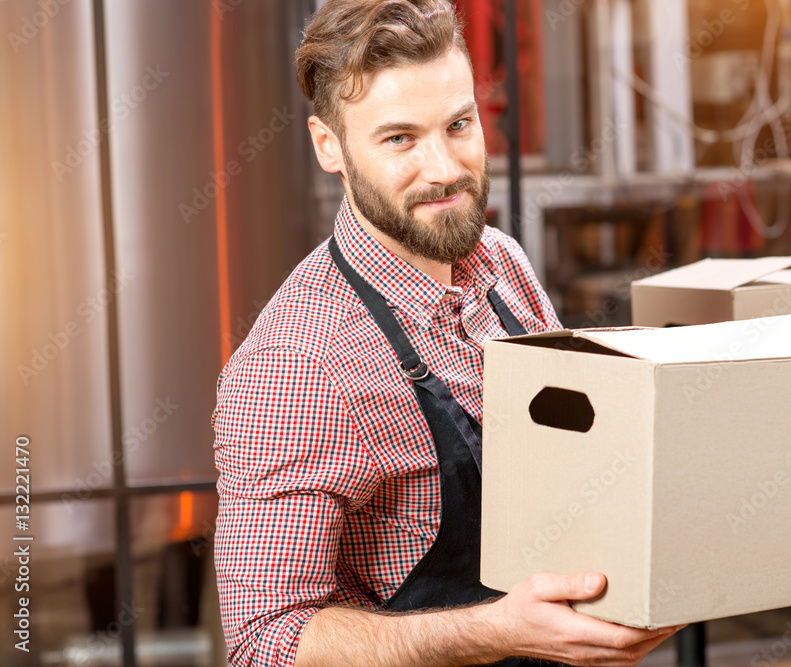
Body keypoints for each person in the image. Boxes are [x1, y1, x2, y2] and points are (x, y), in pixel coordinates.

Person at [212, 2, 683, 665]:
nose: (444, 169)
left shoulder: (501, 264)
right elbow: (265, 643)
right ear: (329, 146)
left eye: (459, 124)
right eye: (400, 138)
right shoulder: (297, 364)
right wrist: (493, 631)